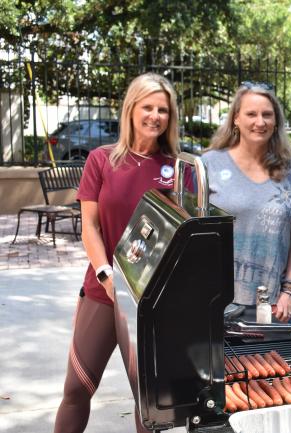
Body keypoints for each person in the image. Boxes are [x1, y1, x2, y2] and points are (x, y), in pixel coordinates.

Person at [54, 72, 179, 433]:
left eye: (163, 110)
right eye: (148, 107)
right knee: (76, 388)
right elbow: (90, 227)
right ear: (131, 109)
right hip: (103, 291)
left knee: (149, 401)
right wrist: (105, 274)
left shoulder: (177, 168)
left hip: (153, 300)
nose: (155, 115)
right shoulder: (100, 160)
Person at [201, 82, 291, 323]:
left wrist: (288, 291)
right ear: (236, 119)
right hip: (217, 303)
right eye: (251, 114)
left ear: (276, 121)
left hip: (273, 306)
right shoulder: (209, 164)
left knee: (274, 362)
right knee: (223, 363)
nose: (259, 122)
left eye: (267, 115)